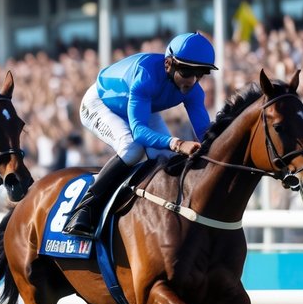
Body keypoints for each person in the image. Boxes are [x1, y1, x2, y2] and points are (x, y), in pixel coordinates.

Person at [62, 32, 217, 237]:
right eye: (188, 72)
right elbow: (139, 132)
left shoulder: (194, 90)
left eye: (200, 74)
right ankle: (85, 209)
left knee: (167, 159)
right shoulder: (146, 76)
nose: (193, 81)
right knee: (132, 148)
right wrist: (178, 143)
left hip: (143, 107)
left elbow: (205, 134)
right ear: (168, 64)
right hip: (101, 104)